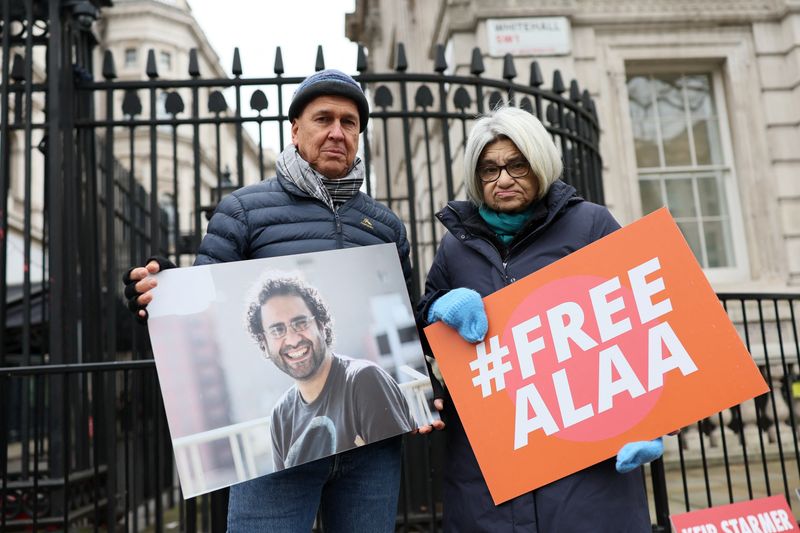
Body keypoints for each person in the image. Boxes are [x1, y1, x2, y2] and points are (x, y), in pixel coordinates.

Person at [124, 69, 440, 533]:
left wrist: (422, 388)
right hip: (275, 449)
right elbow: (200, 306)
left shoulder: (386, 226)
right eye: (323, 118)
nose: (337, 132)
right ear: (295, 130)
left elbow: (407, 323)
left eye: (349, 123)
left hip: (370, 445)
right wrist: (157, 291)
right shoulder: (243, 211)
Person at [418, 105, 665, 532]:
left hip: (586, 463)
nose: (504, 179)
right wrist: (438, 310)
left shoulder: (591, 225)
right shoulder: (454, 248)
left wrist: (650, 419)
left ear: (540, 161)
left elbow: (644, 320)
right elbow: (423, 332)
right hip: (489, 473)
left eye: (517, 164)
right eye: (489, 170)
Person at [244, 273, 415, 470]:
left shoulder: (363, 381)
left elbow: (403, 475)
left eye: (300, 323)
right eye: (277, 330)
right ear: (264, 345)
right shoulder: (280, 416)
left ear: (322, 326)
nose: (292, 339)